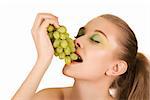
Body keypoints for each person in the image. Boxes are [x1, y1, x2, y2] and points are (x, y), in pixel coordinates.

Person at [12, 13, 150, 100]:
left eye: (95, 40)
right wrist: (42, 61)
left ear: (115, 68)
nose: (77, 40)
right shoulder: (50, 97)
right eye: (80, 34)